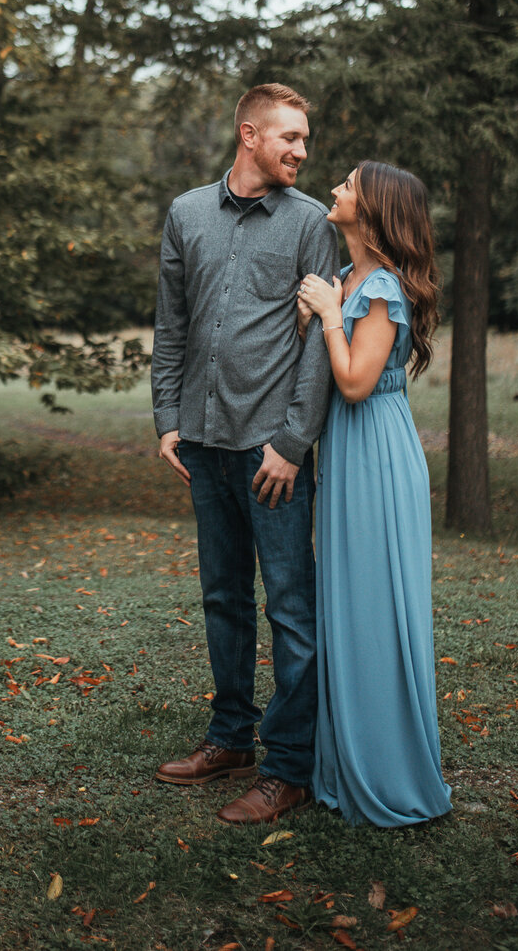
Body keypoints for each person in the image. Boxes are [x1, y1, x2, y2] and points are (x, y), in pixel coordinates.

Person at [151, 83, 339, 825]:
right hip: (202, 444)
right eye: (289, 137)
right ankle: (230, 739)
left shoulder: (313, 224)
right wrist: (168, 417)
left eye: (306, 141)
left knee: (291, 611)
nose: (301, 152)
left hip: (273, 456)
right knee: (222, 599)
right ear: (249, 133)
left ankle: (288, 767)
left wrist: (292, 444)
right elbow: (172, 325)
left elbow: (321, 350)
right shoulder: (186, 213)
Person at [298, 160, 453, 827]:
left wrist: (331, 315)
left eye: (349, 185)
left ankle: (389, 770)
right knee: (348, 605)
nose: (335, 189)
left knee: (376, 608)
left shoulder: (381, 287)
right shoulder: (346, 277)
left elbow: (357, 382)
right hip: (346, 450)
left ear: (374, 210)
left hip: (377, 452)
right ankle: (343, 759)